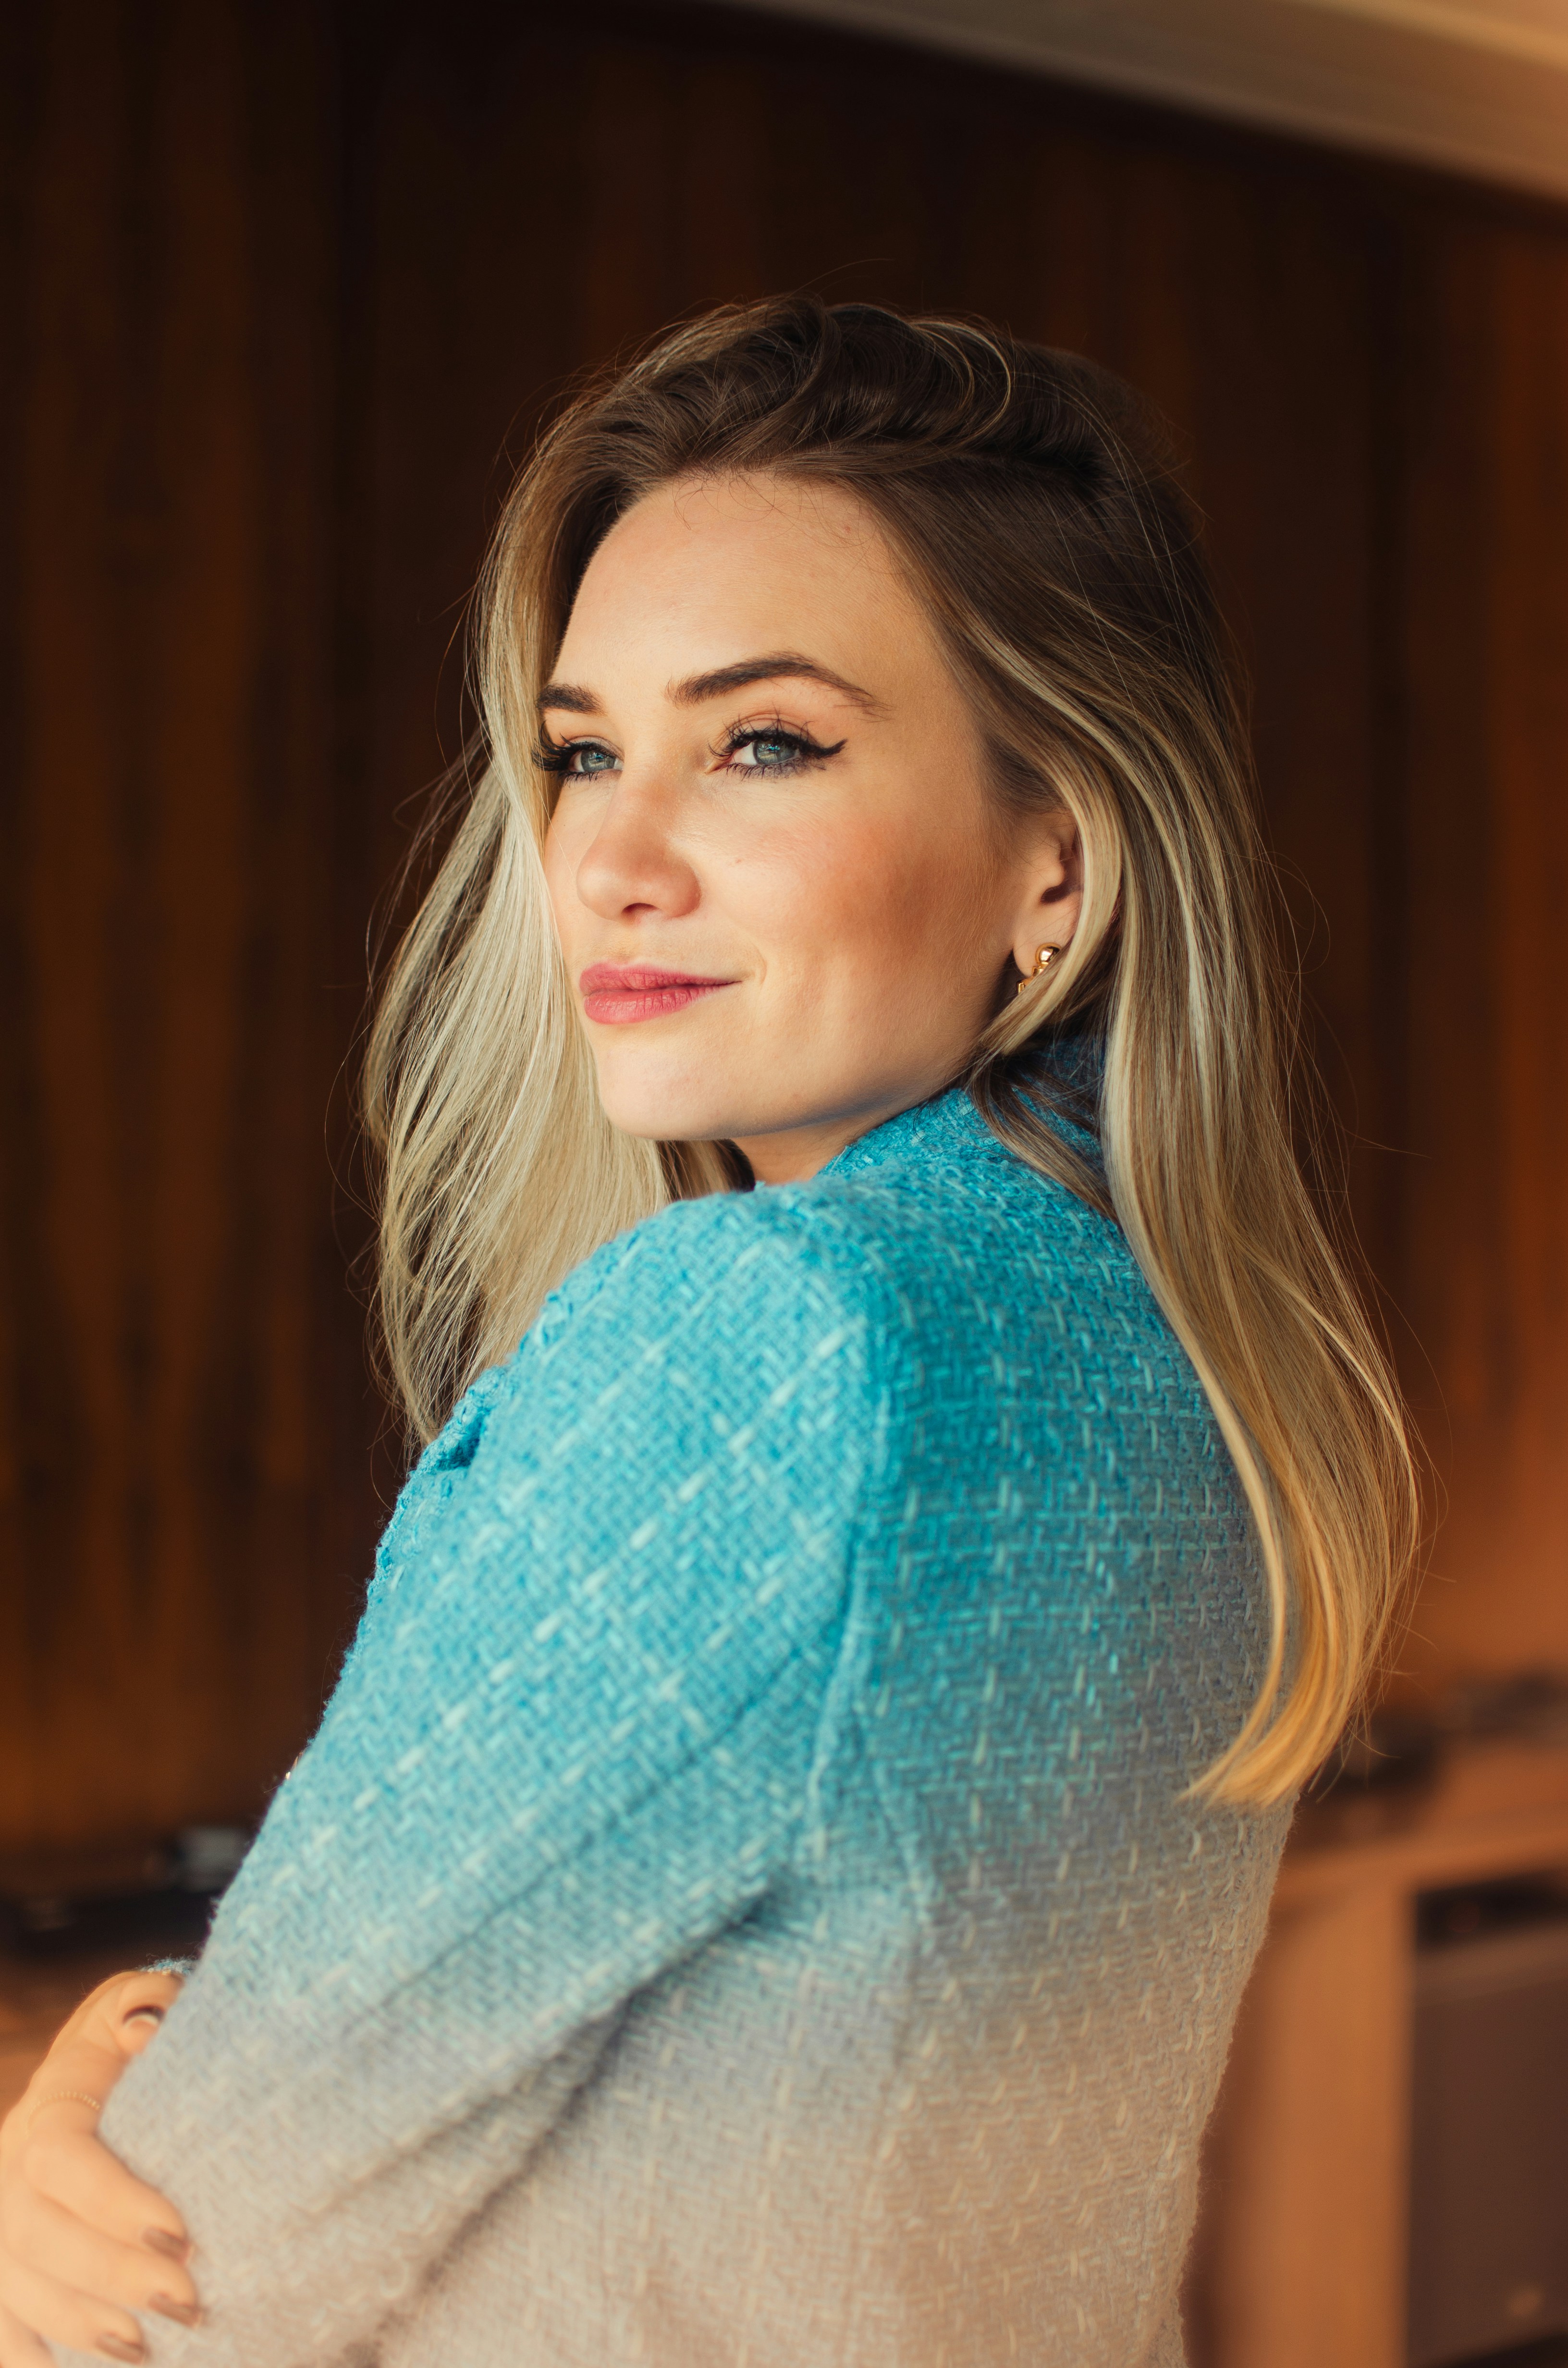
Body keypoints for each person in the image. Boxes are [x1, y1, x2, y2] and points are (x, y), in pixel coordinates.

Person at [0, 298, 1417, 2368]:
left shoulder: (773, 1332)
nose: (609, 855)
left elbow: (184, 2273)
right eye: (585, 750)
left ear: (1059, 855)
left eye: (764, 741)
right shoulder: (1185, 1362)